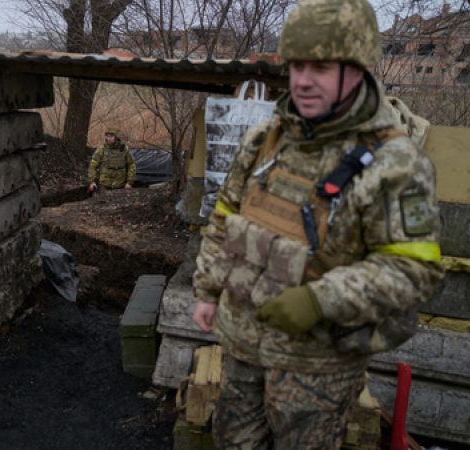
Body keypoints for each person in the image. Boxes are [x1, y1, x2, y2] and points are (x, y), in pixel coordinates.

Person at [191, 0, 445, 449]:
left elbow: (412, 271)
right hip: (243, 343)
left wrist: (317, 299)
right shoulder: (266, 138)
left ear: (359, 69)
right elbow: (225, 216)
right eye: (297, 65)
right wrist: (208, 291)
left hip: (317, 367)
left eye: (322, 67)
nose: (303, 81)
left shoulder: (397, 165)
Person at [87, 127, 136, 192]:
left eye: (111, 136)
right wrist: (92, 182)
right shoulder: (101, 149)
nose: (108, 138)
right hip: (104, 185)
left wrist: (129, 182)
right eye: (107, 136)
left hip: (120, 185)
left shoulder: (125, 150)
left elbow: (131, 165)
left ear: (117, 138)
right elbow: (92, 165)